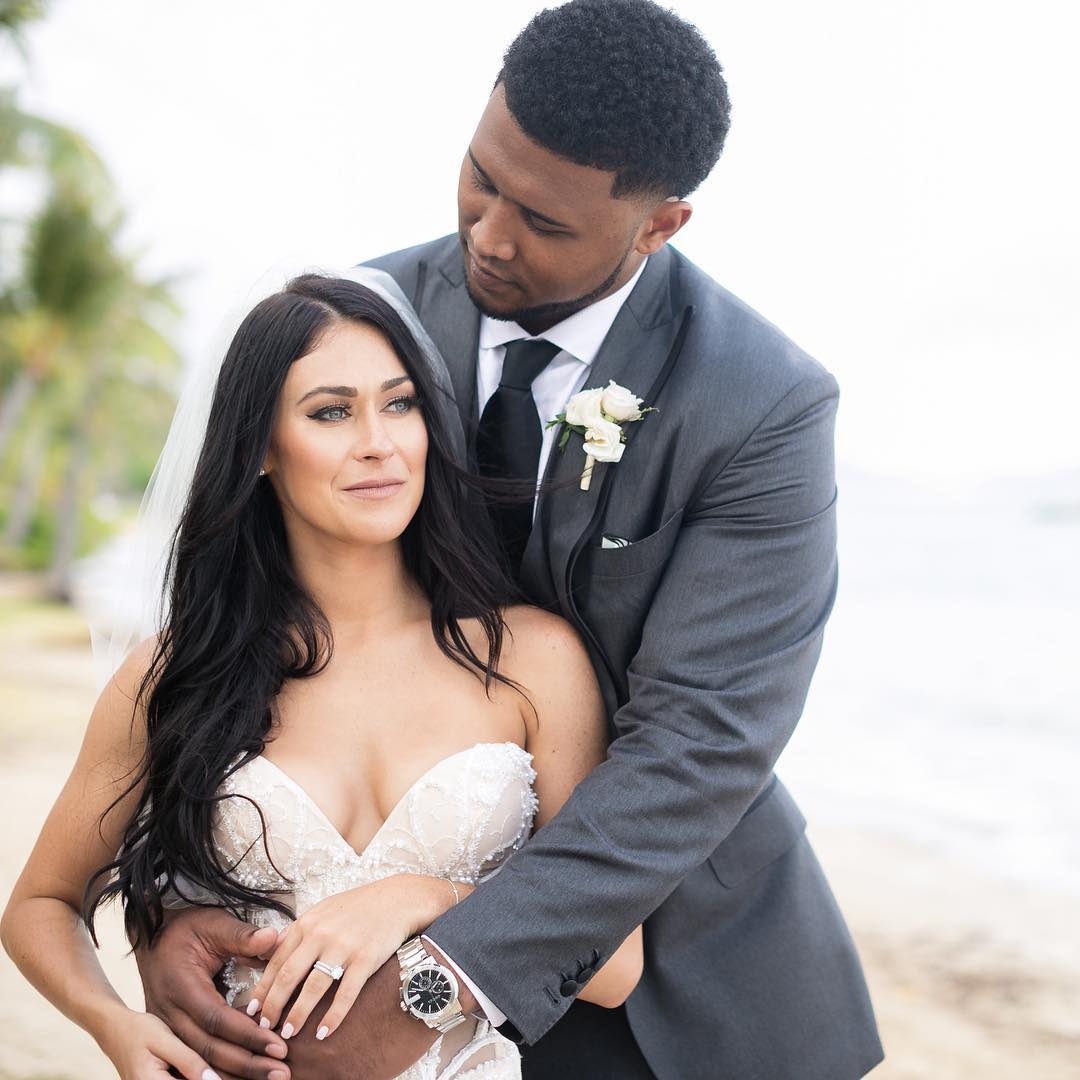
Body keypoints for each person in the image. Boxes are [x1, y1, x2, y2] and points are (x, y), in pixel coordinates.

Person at [135, 2, 887, 1078]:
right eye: (480, 176)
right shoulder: (364, 319)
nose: (489, 233)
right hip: (342, 962)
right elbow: (241, 611)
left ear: (660, 225)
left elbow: (703, 738)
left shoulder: (765, 404)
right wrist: (175, 909)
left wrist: (441, 981)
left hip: (670, 981)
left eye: (543, 220)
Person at [0, 273, 645, 1080]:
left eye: (399, 403)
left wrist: (422, 895)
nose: (378, 440)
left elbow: (615, 966)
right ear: (263, 448)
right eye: (331, 412)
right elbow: (39, 905)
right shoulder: (175, 672)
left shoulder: (531, 658)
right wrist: (115, 1026)